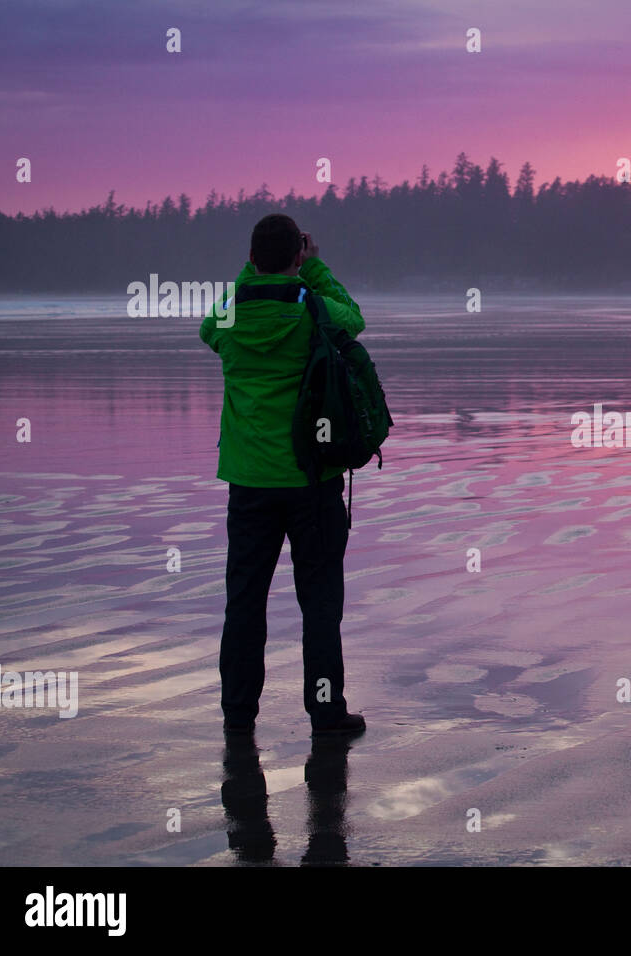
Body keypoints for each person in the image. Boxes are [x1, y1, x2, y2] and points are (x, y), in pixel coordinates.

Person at [199, 213, 366, 737]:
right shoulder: (312, 310)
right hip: (311, 478)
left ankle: (238, 715)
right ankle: (325, 712)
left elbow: (208, 328)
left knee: (244, 601)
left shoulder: (229, 316)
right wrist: (312, 269)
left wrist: (257, 274)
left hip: (249, 483)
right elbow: (354, 319)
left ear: (251, 260)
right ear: (297, 254)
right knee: (318, 601)